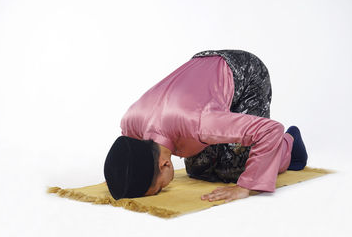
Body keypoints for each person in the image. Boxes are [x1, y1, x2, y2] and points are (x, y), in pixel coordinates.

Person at [104, 49, 308, 202]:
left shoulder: (200, 123)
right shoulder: (131, 120)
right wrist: (123, 176)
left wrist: (246, 187)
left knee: (236, 169)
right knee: (199, 169)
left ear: (164, 164)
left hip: (245, 72)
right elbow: (128, 153)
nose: (164, 189)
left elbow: (269, 130)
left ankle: (291, 145)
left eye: (159, 188)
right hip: (202, 75)